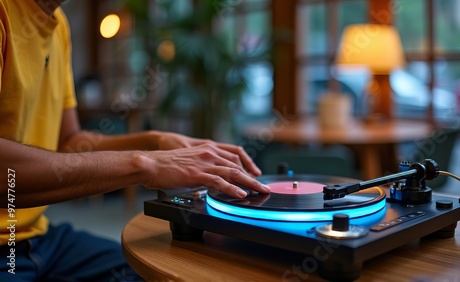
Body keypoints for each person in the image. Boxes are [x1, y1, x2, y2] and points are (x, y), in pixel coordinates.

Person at [0, 0, 270, 281]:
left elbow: (69, 142)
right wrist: (146, 164)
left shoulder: (59, 26)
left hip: (37, 236)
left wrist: (156, 141)